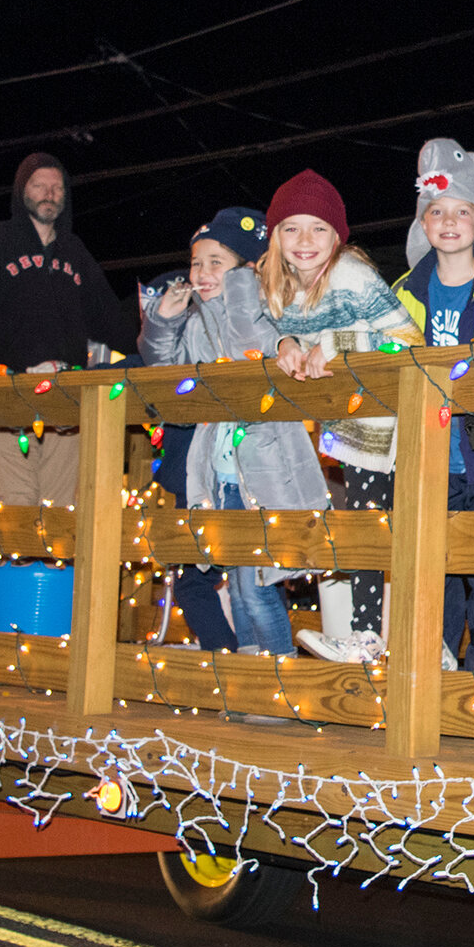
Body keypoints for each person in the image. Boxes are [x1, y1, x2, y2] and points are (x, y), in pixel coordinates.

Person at [141, 206, 329, 657]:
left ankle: (280, 678)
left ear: (246, 268)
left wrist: (244, 285)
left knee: (257, 589)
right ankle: (253, 682)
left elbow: (258, 343)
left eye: (215, 263)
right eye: (195, 263)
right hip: (221, 476)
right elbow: (167, 374)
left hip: (265, 475)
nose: (202, 274)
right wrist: (161, 322)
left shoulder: (262, 309)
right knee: (241, 590)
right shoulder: (195, 321)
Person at [256, 170, 417, 663]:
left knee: (369, 527)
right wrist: (285, 345)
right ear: (275, 237)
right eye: (292, 228)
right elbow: (275, 332)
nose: (305, 241)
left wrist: (337, 347)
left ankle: (368, 636)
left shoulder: (351, 277)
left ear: (338, 236)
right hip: (349, 422)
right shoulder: (280, 288)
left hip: (390, 419)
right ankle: (412, 642)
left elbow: (407, 339)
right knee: (366, 526)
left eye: (318, 229)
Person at [0, 152, 130, 507]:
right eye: (39, 185)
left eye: (57, 187)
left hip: (66, 396)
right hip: (7, 395)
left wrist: (158, 337)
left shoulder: (75, 252)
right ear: (23, 192)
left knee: (63, 508)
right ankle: (14, 565)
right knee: (12, 506)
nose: (49, 193)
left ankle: (52, 565)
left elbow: (111, 319)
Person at [391, 138, 474, 672]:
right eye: (435, 212)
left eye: (461, 211)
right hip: (431, 461)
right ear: (423, 223)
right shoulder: (404, 294)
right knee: (434, 575)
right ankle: (432, 675)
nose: (448, 221)